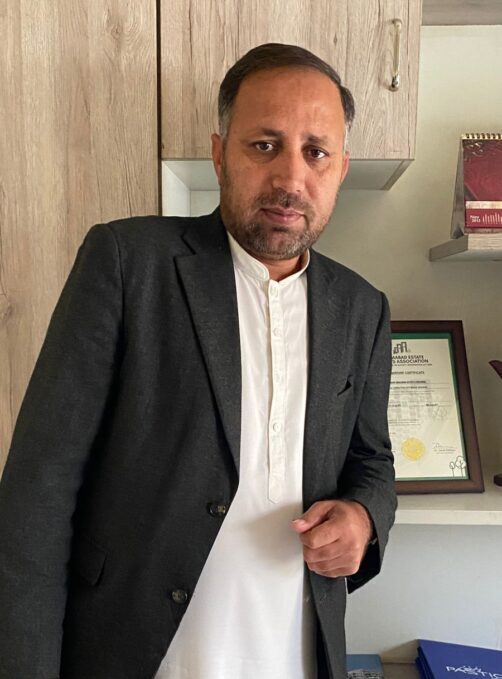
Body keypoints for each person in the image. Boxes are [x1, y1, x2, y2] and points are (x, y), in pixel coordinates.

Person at [0, 43, 396, 679]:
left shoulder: (362, 307)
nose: (291, 178)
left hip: (296, 654)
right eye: (264, 145)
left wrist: (364, 519)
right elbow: (38, 491)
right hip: (139, 654)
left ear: (341, 169)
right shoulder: (128, 263)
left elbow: (372, 461)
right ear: (220, 153)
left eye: (316, 152)